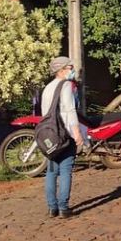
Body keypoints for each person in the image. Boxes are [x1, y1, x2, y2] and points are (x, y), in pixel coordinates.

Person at [41, 56, 86, 219]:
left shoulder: (47, 88)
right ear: (61, 70)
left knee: (52, 171)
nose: (72, 70)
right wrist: (77, 134)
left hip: (50, 137)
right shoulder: (66, 86)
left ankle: (52, 207)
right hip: (65, 135)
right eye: (70, 67)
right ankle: (63, 207)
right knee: (66, 170)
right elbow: (70, 111)